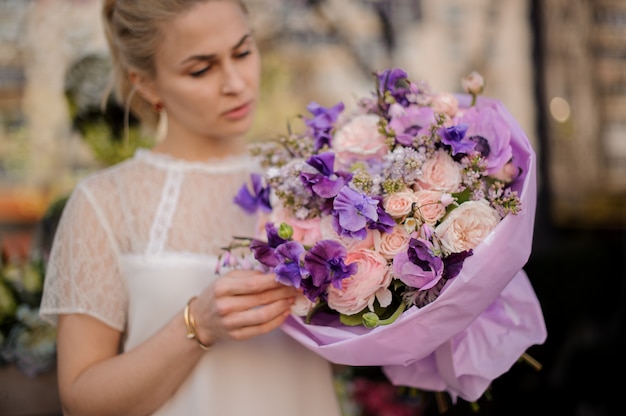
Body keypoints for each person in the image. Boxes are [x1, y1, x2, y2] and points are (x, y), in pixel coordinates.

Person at [39, 1, 342, 415]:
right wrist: (197, 324)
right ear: (146, 84)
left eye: (242, 52)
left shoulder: (316, 184)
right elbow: (82, 398)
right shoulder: (105, 202)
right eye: (202, 69)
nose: (235, 82)